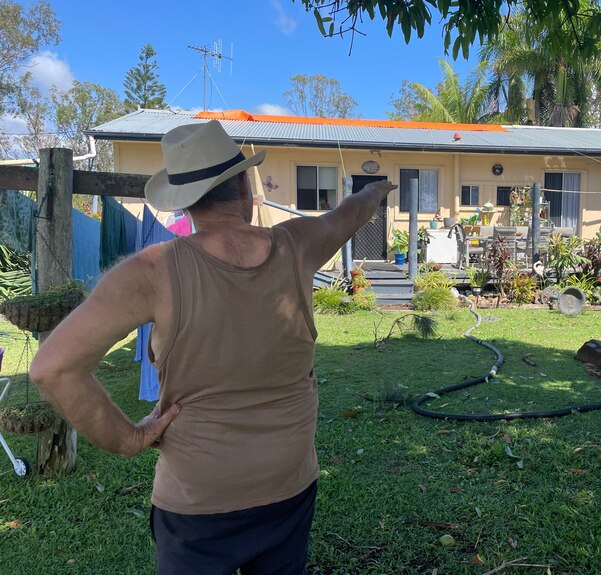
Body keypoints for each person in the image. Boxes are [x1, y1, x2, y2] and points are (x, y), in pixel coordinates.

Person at [30, 120, 397, 574]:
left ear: (184, 200)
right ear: (244, 185)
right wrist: (377, 191)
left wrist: (130, 439)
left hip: (196, 508)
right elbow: (351, 213)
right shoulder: (299, 245)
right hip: (289, 489)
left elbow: (54, 368)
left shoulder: (152, 272)